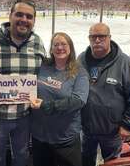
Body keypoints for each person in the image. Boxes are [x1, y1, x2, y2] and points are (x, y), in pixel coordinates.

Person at [0, 0, 46, 166]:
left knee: (21, 155)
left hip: (25, 116)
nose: (24, 20)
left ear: (34, 20)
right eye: (19, 14)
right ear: (10, 16)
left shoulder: (37, 43)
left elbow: (43, 73)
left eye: (29, 17)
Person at [78, 23, 130, 165]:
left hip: (112, 131)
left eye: (101, 36)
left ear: (109, 38)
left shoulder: (125, 63)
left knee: (112, 162)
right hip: (86, 128)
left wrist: (128, 124)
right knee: (84, 160)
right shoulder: (81, 60)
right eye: (93, 37)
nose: (97, 40)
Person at [30, 32, 89, 166]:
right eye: (56, 44)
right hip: (40, 137)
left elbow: (78, 100)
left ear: (70, 48)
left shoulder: (79, 72)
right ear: (51, 49)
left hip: (65, 139)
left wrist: (47, 105)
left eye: (63, 44)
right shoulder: (42, 66)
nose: (59, 47)